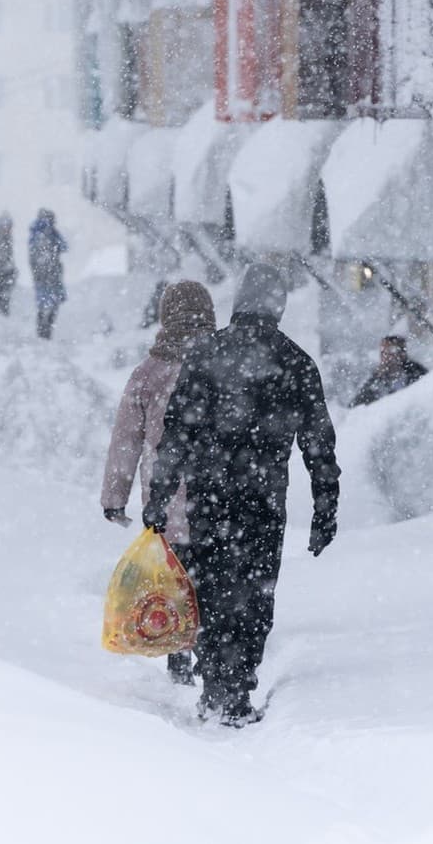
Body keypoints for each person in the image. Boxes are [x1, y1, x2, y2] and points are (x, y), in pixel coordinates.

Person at [145, 263, 340, 726]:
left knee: (209, 587)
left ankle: (213, 679)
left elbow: (176, 436)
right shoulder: (295, 362)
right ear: (278, 305)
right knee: (253, 594)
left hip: (208, 498)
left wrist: (159, 497)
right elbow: (318, 443)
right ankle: (237, 688)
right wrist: (324, 507)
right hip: (263, 501)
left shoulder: (204, 354)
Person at [100, 280, 217, 686]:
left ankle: (177, 656)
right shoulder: (223, 364)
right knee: (210, 583)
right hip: (216, 499)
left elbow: (126, 439)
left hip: (165, 501)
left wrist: (115, 496)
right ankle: (211, 657)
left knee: (171, 584)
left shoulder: (149, 373)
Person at [350, 335, 429, 407]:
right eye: (383, 353)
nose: (385, 358)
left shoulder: (417, 373)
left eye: (389, 352)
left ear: (402, 354)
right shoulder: (376, 381)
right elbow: (356, 406)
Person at [28, 209, 68, 339]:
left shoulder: (37, 235)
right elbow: (64, 246)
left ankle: (43, 332)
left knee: (44, 304)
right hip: (49, 275)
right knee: (50, 304)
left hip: (43, 276)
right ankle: (45, 332)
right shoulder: (46, 235)